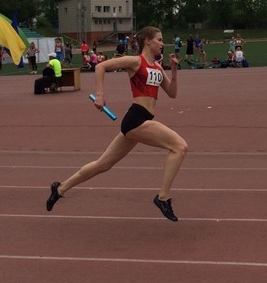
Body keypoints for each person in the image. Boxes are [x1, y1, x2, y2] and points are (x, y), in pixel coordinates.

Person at [46, 27, 187, 221]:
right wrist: (101, 94)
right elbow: (100, 67)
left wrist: (174, 70)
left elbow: (172, 93)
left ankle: (59, 188)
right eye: (159, 40)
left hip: (141, 121)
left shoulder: (158, 67)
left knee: (102, 165)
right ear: (147, 41)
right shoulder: (135, 61)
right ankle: (163, 197)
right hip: (137, 119)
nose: (162, 44)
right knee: (179, 146)